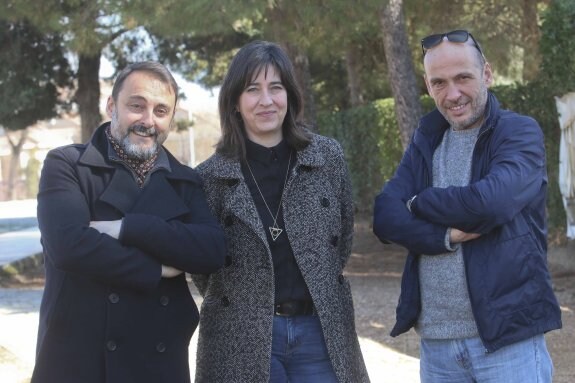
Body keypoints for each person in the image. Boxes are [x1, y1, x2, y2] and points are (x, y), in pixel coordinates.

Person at [373, 30, 562, 382]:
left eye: (463, 78)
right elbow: (385, 215)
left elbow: (489, 204)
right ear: (428, 86)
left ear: (487, 74)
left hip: (509, 341)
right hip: (438, 346)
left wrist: (417, 202)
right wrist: (444, 235)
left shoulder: (519, 133)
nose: (453, 93)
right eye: (439, 82)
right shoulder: (426, 138)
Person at [31, 61, 226, 383]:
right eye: (137, 106)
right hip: (79, 361)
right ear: (112, 106)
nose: (148, 120)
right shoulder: (68, 164)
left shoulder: (185, 180)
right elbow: (68, 246)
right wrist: (159, 268)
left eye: (161, 111)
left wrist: (126, 228)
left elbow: (211, 251)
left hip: (158, 364)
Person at [192, 40, 369, 382]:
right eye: (252, 89)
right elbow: (206, 271)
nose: (266, 100)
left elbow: (341, 241)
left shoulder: (327, 158)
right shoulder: (209, 177)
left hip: (319, 330)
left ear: (290, 95)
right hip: (241, 335)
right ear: (235, 103)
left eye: (276, 87)